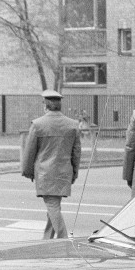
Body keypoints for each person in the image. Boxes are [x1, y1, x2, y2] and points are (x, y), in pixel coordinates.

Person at [21, 89, 81, 239]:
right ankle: (47, 240)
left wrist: (27, 171)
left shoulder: (37, 124)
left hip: (45, 174)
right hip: (64, 173)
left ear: (45, 105)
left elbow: (29, 152)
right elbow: (76, 153)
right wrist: (74, 173)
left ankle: (63, 240)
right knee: (54, 206)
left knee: (53, 207)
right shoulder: (72, 125)